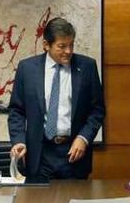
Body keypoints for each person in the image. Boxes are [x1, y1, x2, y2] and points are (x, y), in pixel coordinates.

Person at [7, 17, 105, 180]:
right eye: (62, 46)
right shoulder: (27, 68)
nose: (68, 51)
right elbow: (17, 110)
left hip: (74, 154)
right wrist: (18, 140)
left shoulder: (87, 67)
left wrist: (84, 138)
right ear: (46, 45)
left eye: (71, 45)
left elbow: (97, 110)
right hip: (39, 154)